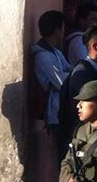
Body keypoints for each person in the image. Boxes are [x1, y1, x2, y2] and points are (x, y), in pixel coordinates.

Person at [31, 9, 72, 137]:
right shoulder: (43, 56)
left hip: (63, 109)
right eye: (63, 27)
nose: (64, 31)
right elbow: (61, 82)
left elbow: (69, 68)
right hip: (56, 112)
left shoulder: (55, 52)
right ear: (56, 30)